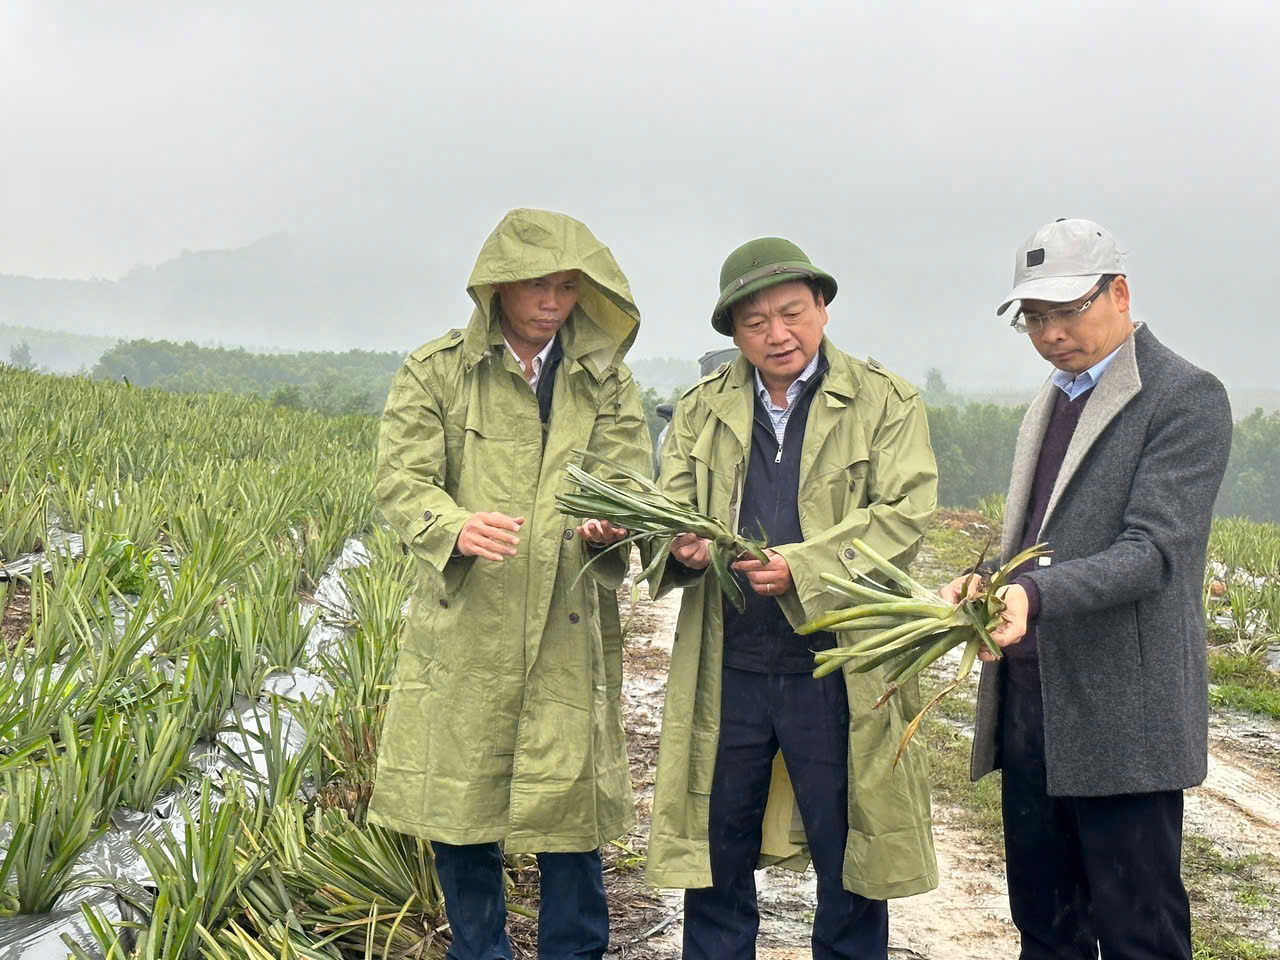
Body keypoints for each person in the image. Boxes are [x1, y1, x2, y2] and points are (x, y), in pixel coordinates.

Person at [942, 218, 1233, 959]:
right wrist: (986, 578)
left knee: (1139, 929)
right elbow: (1038, 531)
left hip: (1120, 713)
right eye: (1035, 318)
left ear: (1120, 292)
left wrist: (1033, 597)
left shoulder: (1184, 396)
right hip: (1032, 703)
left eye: (1068, 310)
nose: (1051, 333)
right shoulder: (1053, 397)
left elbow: (1152, 552)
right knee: (1045, 925)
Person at [368, 208, 652, 960]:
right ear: (497, 286)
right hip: (471, 623)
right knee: (462, 804)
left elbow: (627, 478)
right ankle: (479, 950)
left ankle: (574, 951)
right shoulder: (438, 372)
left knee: (570, 809)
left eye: (566, 286)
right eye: (535, 285)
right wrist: (452, 525)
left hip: (566, 621)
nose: (551, 302)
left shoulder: (606, 383)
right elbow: (402, 480)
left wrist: (610, 524)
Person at [645, 237, 940, 959]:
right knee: (717, 852)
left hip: (837, 665)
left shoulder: (885, 401)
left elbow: (903, 513)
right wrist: (681, 547)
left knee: (850, 854)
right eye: (755, 323)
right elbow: (669, 506)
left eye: (792, 313)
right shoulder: (705, 408)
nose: (778, 334)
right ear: (734, 334)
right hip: (731, 665)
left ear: (823, 309)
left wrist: (803, 568)